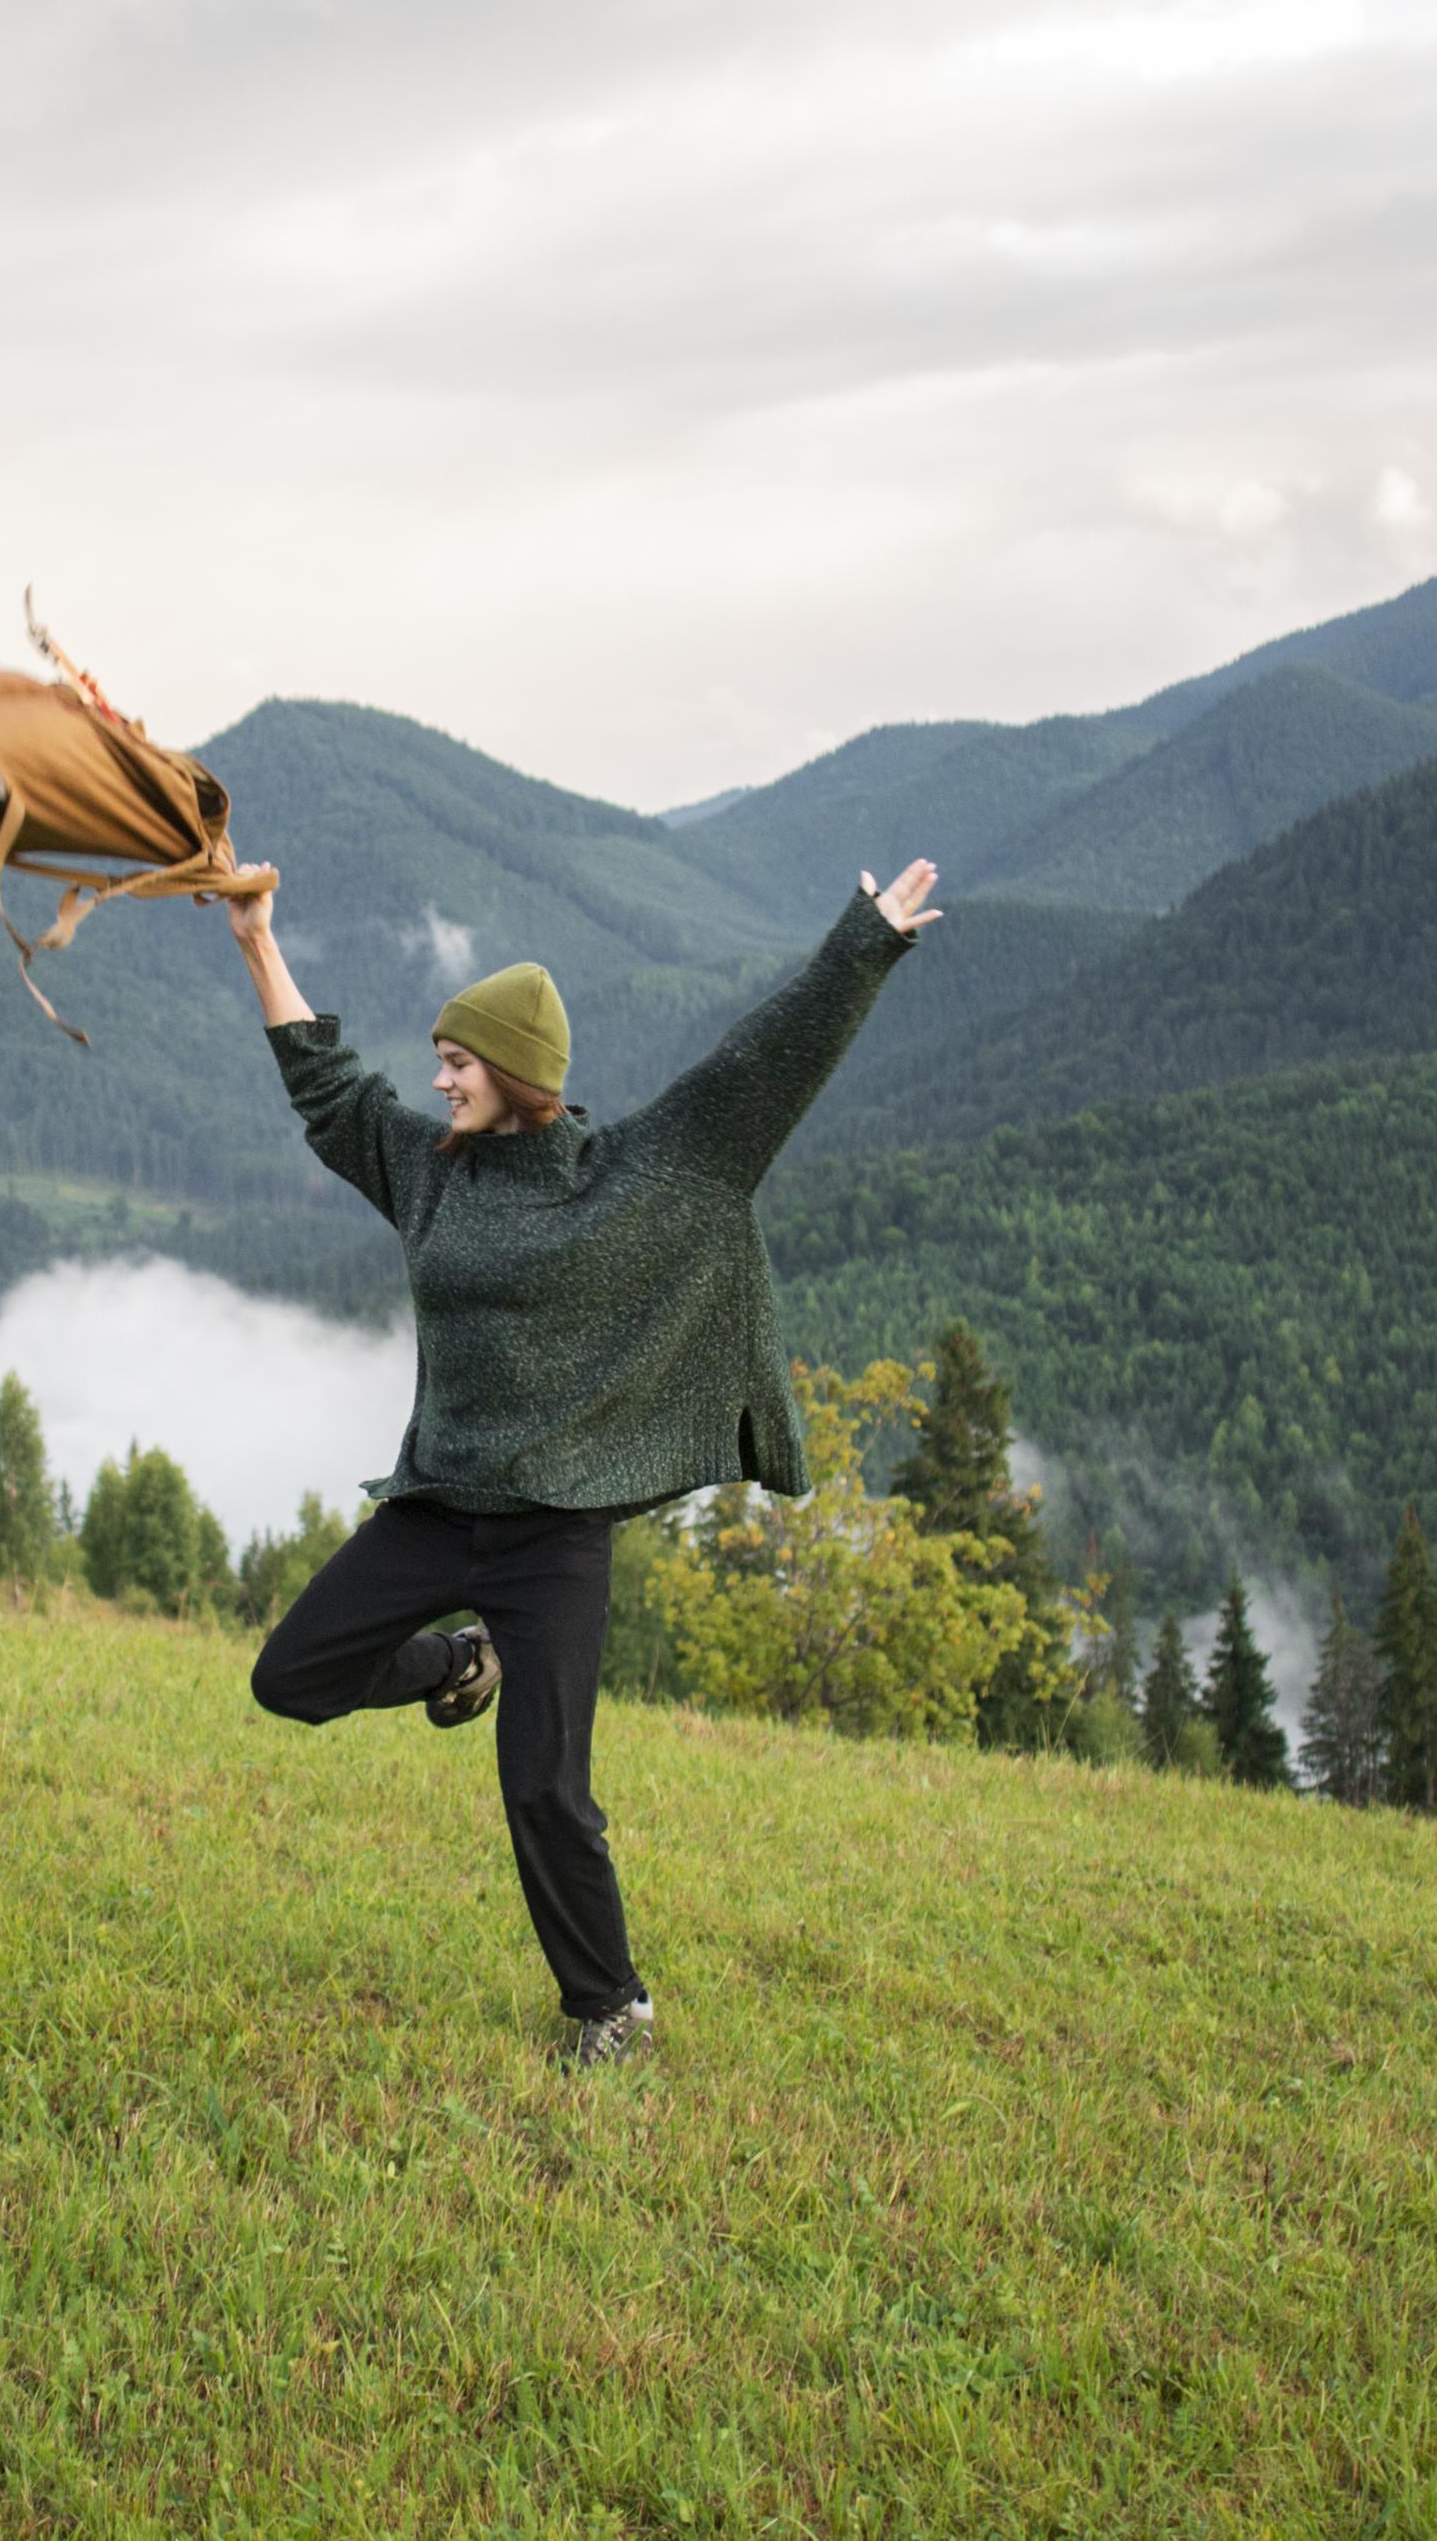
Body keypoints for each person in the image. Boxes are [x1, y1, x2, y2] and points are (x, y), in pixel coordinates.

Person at [227, 853, 943, 2068]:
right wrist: (255, 937)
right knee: (291, 1675)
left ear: (513, 1077)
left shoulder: (637, 1175)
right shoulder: (424, 1170)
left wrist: (861, 943)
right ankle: (459, 1663)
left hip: (554, 1535)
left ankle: (610, 2012)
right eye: (440, 1061)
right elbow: (328, 1089)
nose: (437, 1076)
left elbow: (758, 1071)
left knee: (546, 1791)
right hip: (439, 1507)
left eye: (457, 1061)